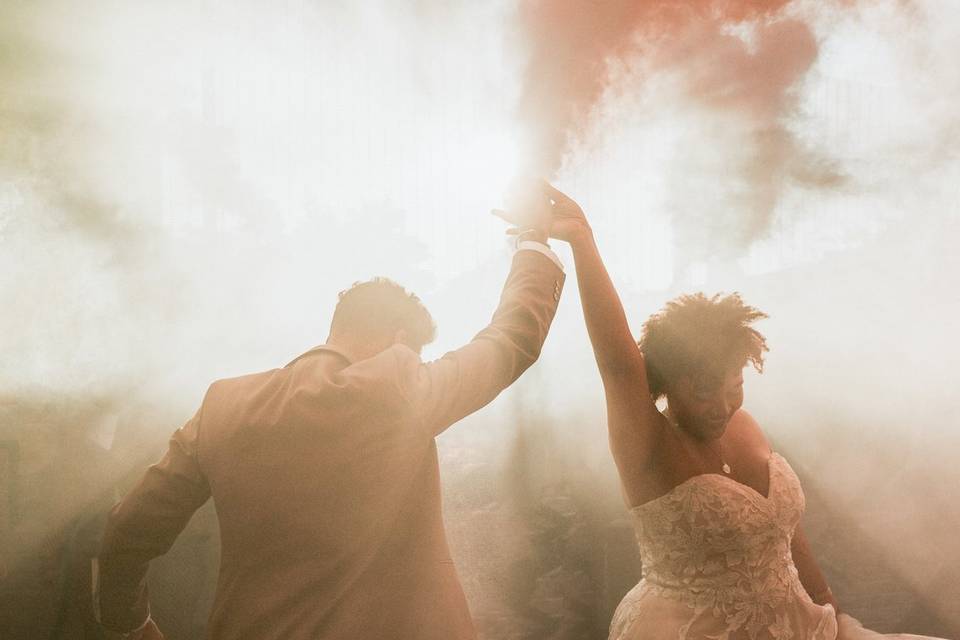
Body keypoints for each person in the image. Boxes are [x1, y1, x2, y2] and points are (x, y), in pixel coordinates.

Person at [506, 182, 947, 640]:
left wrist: (828, 606)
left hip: (800, 626)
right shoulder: (649, 445)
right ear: (667, 384)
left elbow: (783, 533)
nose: (723, 406)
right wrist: (582, 239)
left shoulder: (747, 425)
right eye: (702, 393)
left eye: (734, 386)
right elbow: (618, 367)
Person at [94, 215, 565, 640]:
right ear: (399, 341)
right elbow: (510, 340)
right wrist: (533, 241)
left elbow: (127, 529)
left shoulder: (223, 405)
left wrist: (129, 623)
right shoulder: (395, 387)